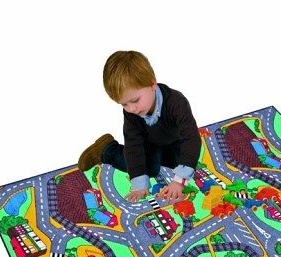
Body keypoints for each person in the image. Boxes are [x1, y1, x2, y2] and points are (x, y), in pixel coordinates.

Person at [78, 50, 200, 203]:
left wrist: (179, 181)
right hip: (148, 144)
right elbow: (133, 145)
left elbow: (191, 138)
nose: (131, 109)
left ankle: (166, 159)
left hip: (172, 140)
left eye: (135, 100)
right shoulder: (132, 113)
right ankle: (107, 150)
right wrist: (139, 183)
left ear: (152, 84)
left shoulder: (176, 103)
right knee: (151, 169)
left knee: (186, 161)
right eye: (124, 104)